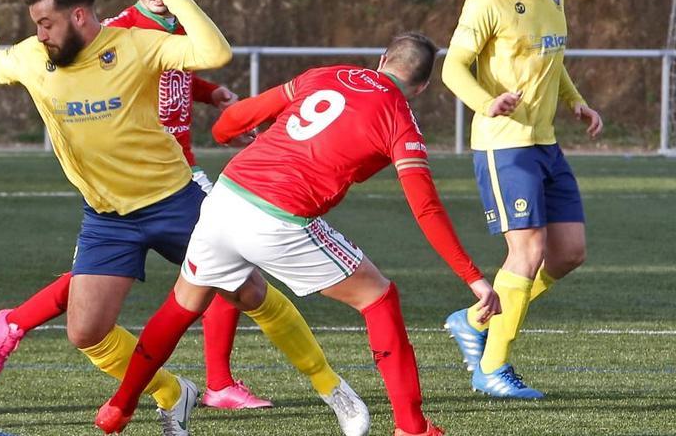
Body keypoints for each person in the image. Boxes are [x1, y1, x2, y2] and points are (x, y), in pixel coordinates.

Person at [94, 33, 501, 436]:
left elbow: (232, 122)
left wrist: (226, 134)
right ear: (423, 86)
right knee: (379, 297)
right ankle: (411, 427)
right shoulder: (400, 119)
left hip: (226, 196)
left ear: (381, 60)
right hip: (279, 218)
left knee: (182, 305)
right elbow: (426, 209)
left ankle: (121, 406)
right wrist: (474, 279)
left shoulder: (327, 74)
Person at [0, 0, 293, 436]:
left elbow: (213, 53)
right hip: (107, 217)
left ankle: (332, 391)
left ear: (78, 16)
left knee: (247, 289)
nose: (40, 33)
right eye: (36, 25)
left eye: (47, 22)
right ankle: (173, 392)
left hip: (174, 198)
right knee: (85, 331)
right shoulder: (36, 56)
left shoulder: (134, 43)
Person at [441, 0, 603, 400]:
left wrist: (576, 102)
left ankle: (473, 321)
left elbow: (551, 58)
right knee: (528, 251)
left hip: (545, 143)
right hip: (503, 145)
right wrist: (485, 103)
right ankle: (492, 368)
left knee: (569, 252)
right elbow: (453, 66)